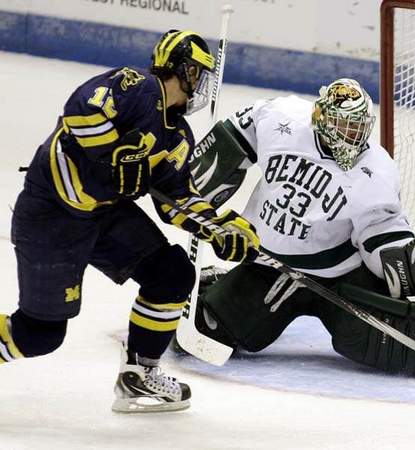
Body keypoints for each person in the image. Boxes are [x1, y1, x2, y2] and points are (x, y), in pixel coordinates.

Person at [176, 78, 415, 385]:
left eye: (358, 127)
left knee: (369, 343)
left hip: (339, 279)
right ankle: (214, 286)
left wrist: (413, 268)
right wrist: (205, 176)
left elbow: (383, 240)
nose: (351, 137)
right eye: (343, 126)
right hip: (267, 264)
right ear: (320, 117)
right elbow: (235, 137)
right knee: (212, 330)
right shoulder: (281, 118)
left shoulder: (376, 170)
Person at [0, 29, 259, 413]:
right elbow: (80, 110)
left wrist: (218, 226)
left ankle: (139, 375)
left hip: (105, 216)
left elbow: (177, 200)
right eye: (199, 74)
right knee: (40, 334)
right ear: (185, 70)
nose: (201, 85)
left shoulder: (178, 137)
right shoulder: (136, 87)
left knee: (171, 275)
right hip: (53, 215)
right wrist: (113, 152)